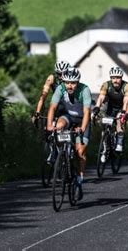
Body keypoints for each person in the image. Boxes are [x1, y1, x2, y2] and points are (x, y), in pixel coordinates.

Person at [46, 67, 91, 201]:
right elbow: (52, 107)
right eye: (67, 82)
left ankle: (79, 178)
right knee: (58, 127)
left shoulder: (85, 90)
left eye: (73, 83)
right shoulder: (60, 89)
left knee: (80, 152)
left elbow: (87, 112)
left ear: (78, 82)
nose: (70, 86)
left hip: (83, 120)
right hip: (69, 117)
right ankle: (62, 156)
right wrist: (49, 125)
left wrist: (82, 128)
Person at [92, 67, 128, 156]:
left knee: (118, 122)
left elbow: (126, 100)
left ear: (121, 78)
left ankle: (119, 143)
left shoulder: (127, 86)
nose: (115, 80)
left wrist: (123, 111)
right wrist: (96, 108)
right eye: (113, 78)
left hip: (122, 107)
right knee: (105, 125)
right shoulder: (106, 85)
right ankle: (105, 144)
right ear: (111, 78)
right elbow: (101, 98)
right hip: (111, 107)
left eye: (118, 78)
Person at [32, 60, 70, 125]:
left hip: (70, 107)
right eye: (59, 74)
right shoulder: (52, 78)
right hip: (57, 107)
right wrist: (37, 112)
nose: (61, 76)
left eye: (64, 73)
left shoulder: (72, 79)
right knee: (49, 128)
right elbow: (43, 97)